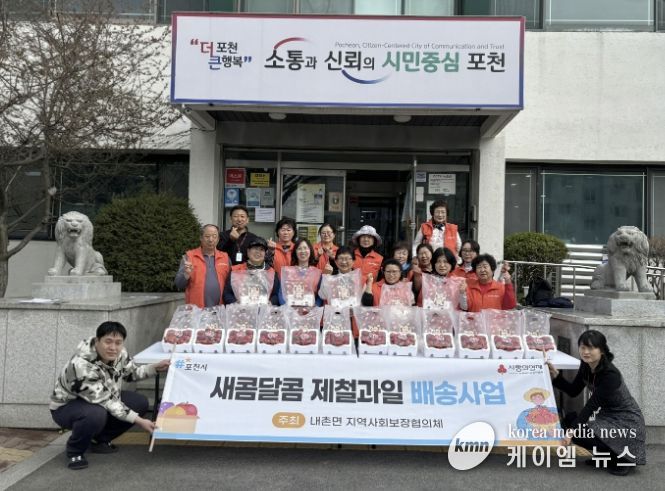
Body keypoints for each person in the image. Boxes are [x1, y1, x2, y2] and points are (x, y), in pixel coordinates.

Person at [50, 321, 169, 470]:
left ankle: (99, 440)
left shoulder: (120, 353)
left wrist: (154, 368)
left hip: (99, 401)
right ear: (97, 341)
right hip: (66, 408)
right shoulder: (81, 365)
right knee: (95, 414)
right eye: (108, 342)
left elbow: (130, 373)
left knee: (139, 402)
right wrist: (140, 421)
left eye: (118, 342)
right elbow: (107, 401)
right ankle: (75, 451)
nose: (113, 347)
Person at [547, 331, 646, 475]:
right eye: (582, 347)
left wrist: (571, 433)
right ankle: (605, 456)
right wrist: (556, 376)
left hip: (627, 422)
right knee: (569, 421)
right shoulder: (586, 365)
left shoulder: (610, 375)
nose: (585, 352)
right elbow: (573, 391)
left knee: (577, 431)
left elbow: (591, 407)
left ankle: (623, 459)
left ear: (602, 350)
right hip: (608, 418)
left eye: (591, 348)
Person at [175, 224, 231, 308]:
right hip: (196, 310)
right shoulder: (190, 257)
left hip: (220, 309)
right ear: (201, 238)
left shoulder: (225, 258)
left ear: (218, 239)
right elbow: (178, 285)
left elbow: (230, 285)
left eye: (214, 236)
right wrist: (186, 275)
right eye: (207, 236)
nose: (211, 240)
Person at [223, 237, 280, 305]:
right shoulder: (235, 270)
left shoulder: (271, 273)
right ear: (248, 251)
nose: (258, 252)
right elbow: (227, 293)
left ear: (265, 253)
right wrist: (235, 303)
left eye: (261, 249)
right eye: (255, 248)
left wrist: (270, 303)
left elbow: (276, 295)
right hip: (241, 310)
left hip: (264, 310)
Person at [279, 238, 323, 306]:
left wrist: (315, 307)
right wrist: (286, 307)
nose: (303, 251)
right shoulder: (287, 272)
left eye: (305, 248)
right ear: (295, 252)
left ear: (310, 251)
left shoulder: (317, 273)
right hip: (290, 310)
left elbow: (320, 295)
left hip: (310, 311)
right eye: (299, 249)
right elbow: (281, 293)